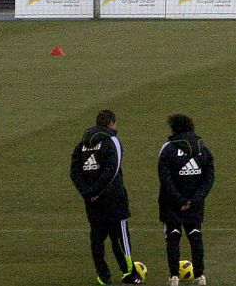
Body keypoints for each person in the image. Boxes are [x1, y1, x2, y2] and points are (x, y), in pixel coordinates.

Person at [71, 109, 144, 285]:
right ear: (111, 123)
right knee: (120, 238)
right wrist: (97, 191)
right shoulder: (112, 141)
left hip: (91, 202)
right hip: (113, 199)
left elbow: (74, 173)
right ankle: (129, 274)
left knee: (97, 239)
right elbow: (111, 171)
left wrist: (87, 193)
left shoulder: (81, 145)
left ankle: (103, 276)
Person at [158, 114, 213, 286]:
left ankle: (174, 276)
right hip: (194, 202)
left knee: (173, 236)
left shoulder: (168, 148)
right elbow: (209, 177)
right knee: (195, 235)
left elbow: (164, 177)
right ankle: (200, 275)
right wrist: (195, 199)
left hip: (171, 203)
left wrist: (180, 199)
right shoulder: (202, 148)